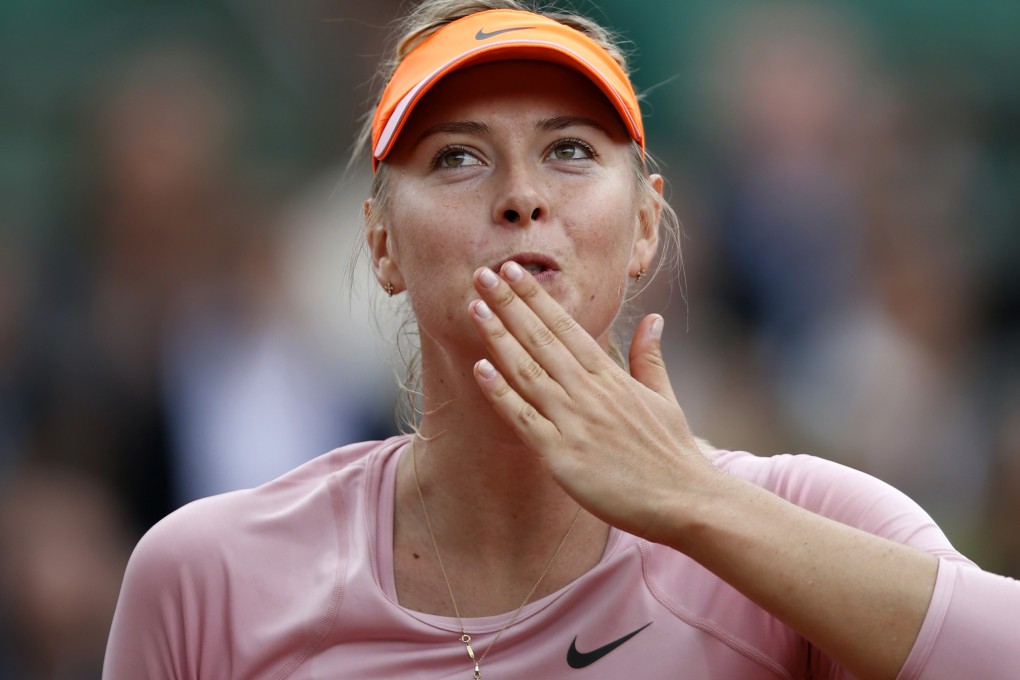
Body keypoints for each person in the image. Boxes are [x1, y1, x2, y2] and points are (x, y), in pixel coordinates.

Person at [103, 1, 1020, 678]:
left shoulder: (793, 521)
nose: (520, 194)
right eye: (456, 155)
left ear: (646, 227)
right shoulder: (206, 573)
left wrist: (692, 501)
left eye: (571, 149)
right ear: (381, 241)